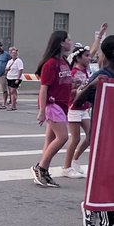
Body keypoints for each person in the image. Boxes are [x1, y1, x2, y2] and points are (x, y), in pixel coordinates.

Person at [72, 34, 114, 226]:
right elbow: (77, 102)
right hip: (103, 136)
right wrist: (92, 86)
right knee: (110, 182)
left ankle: (91, 206)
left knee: (113, 180)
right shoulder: (101, 75)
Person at [32, 28, 77, 188]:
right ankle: (41, 168)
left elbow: (63, 84)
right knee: (63, 137)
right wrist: (42, 111)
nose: (70, 42)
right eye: (68, 40)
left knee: (50, 139)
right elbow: (44, 88)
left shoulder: (64, 62)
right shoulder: (50, 64)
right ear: (60, 43)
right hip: (53, 105)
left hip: (62, 105)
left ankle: (44, 170)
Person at [60, 45, 94, 179]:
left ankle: (75, 161)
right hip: (74, 107)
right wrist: (79, 91)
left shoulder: (86, 71)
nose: (89, 58)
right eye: (86, 56)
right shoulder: (72, 72)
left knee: (90, 136)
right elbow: (68, 91)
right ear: (78, 58)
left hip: (84, 108)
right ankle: (66, 167)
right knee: (75, 138)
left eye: (89, 55)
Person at [4, 46, 24, 110]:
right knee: (11, 92)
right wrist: (7, 70)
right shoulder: (9, 61)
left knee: (13, 91)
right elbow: (7, 69)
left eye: (15, 53)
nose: (13, 54)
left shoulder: (19, 61)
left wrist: (18, 79)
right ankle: (13, 104)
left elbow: (20, 70)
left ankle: (13, 105)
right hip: (9, 77)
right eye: (12, 53)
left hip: (15, 78)